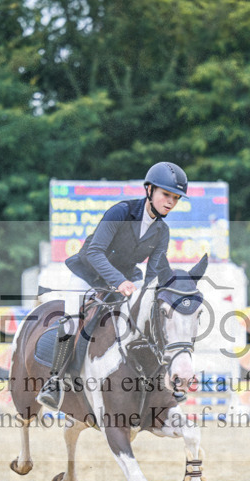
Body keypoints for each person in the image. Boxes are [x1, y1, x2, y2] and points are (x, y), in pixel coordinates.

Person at [36, 161, 189, 410]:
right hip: (88, 273)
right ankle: (55, 381)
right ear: (149, 190)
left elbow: (153, 273)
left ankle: (163, 380)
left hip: (127, 277)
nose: (171, 201)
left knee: (151, 317)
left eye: (175, 197)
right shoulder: (120, 212)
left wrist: (161, 291)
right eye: (166, 194)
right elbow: (95, 252)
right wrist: (119, 282)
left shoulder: (162, 231)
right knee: (72, 321)